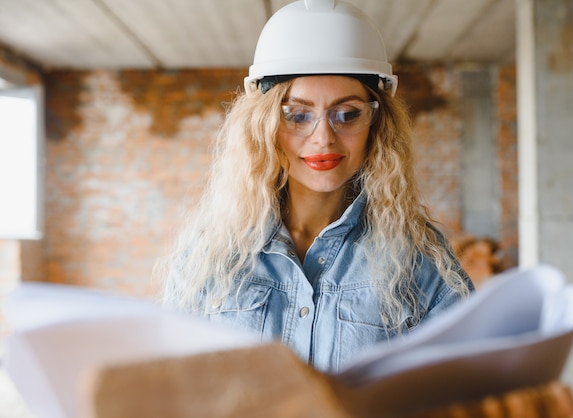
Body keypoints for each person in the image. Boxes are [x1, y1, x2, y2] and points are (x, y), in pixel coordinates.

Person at [156, 0, 474, 373]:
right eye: (297, 115)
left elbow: (468, 392)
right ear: (265, 125)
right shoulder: (210, 255)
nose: (323, 138)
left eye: (347, 114)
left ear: (377, 124)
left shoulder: (420, 260)